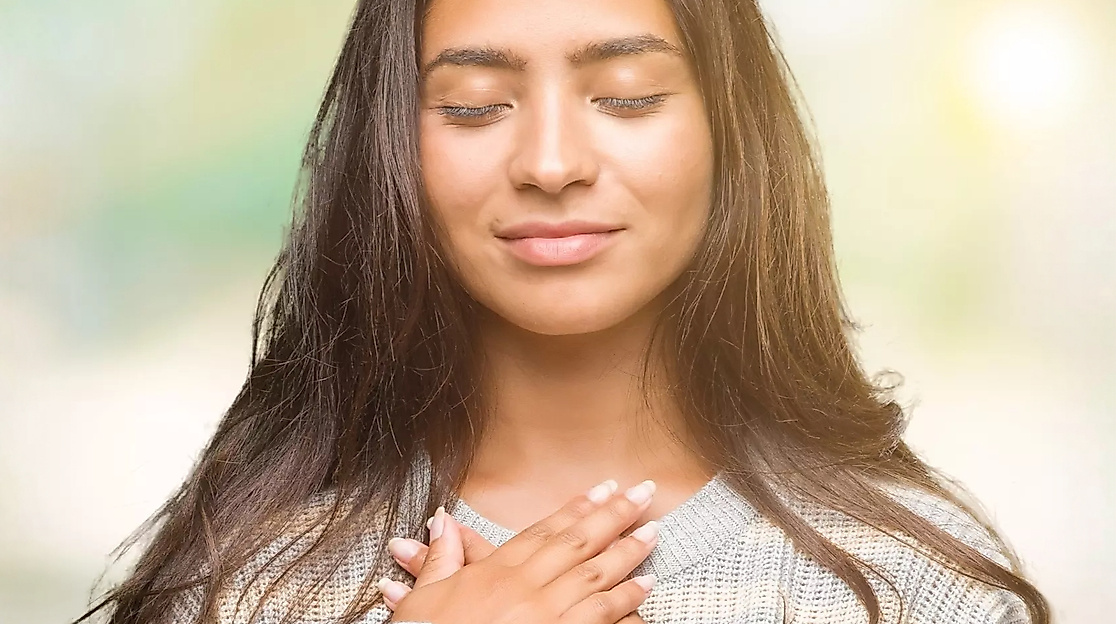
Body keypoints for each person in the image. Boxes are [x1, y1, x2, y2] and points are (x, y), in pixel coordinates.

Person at [76, 0, 1050, 622]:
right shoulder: (254, 582)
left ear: (730, 131)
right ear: (393, 148)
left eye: (626, 96)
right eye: (472, 105)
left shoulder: (908, 584)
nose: (550, 163)